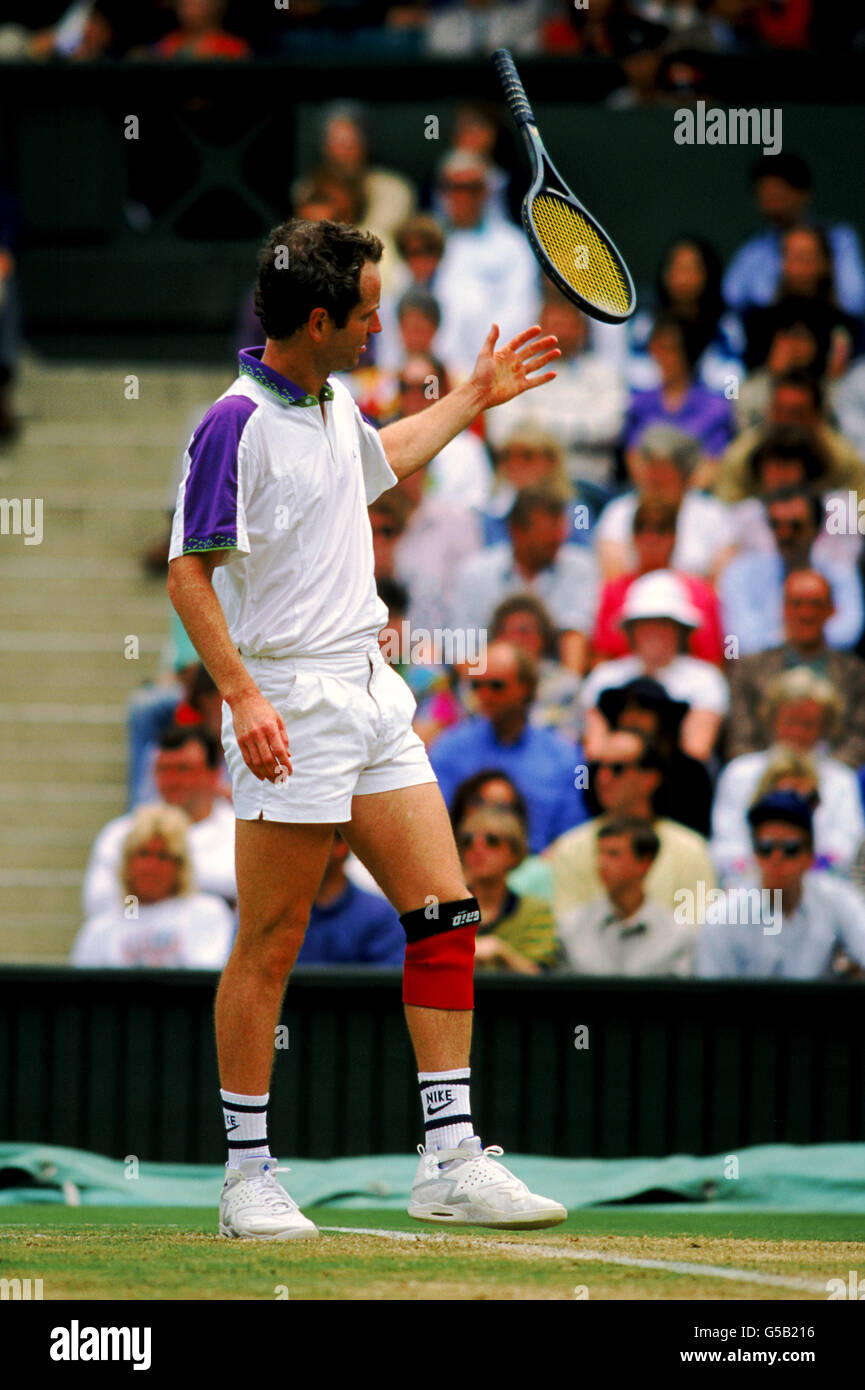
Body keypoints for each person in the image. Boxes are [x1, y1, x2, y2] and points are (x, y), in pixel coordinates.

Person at [166, 216, 566, 1238]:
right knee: (270, 938)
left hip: (372, 691)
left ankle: (447, 1157)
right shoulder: (232, 425)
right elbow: (187, 571)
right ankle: (246, 1177)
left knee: (444, 912)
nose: (381, 324)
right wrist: (244, 696)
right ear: (316, 319)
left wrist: (472, 399)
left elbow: (376, 460)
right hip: (290, 703)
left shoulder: (331, 401)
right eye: (368, 312)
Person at [429, 641, 587, 853]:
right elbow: (434, 827)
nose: (485, 696)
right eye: (477, 686)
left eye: (496, 686)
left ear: (526, 687)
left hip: (540, 875)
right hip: (465, 869)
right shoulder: (447, 748)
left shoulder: (568, 758)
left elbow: (573, 834)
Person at [543, 728, 717, 919]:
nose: (603, 778)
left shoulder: (691, 849)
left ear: (650, 778)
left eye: (618, 768)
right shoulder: (570, 847)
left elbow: (697, 928)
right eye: (598, 767)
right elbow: (566, 925)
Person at [711, 667, 865, 879]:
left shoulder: (841, 780)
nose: (797, 734)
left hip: (821, 891)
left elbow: (846, 847)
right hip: (748, 890)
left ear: (825, 727)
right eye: (790, 721)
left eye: (808, 724)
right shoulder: (739, 773)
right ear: (772, 720)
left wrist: (798, 877)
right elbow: (726, 845)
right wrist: (769, 875)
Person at [696, 792, 865, 979]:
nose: (776, 858)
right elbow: (711, 988)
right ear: (755, 854)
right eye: (766, 848)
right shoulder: (724, 915)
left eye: (790, 849)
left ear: (809, 856)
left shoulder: (837, 899)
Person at [83, 725, 236, 917]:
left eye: (183, 769)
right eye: (164, 769)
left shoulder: (239, 830)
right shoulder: (122, 832)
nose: (172, 780)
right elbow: (100, 903)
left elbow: (242, 886)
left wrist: (149, 883)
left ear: (214, 775)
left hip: (218, 941)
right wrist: (140, 914)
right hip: (142, 941)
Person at [580, 569, 730, 762]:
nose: (654, 632)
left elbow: (696, 752)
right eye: (645, 623)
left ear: (681, 630)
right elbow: (594, 751)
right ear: (630, 629)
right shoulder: (603, 678)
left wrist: (636, 749)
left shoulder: (706, 680)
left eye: (663, 623)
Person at [450, 484, 598, 675]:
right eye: (547, 532)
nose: (558, 538)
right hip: (489, 679)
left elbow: (574, 640)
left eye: (560, 528)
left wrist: (567, 691)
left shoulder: (580, 567)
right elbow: (463, 651)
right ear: (517, 530)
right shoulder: (475, 572)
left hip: (552, 683)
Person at [725, 568, 865, 767]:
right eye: (797, 604)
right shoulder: (748, 669)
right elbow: (740, 741)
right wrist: (777, 775)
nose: (806, 613)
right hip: (762, 781)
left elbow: (859, 740)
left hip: (834, 782)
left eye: (816, 604)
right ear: (782, 609)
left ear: (832, 610)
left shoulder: (856, 673)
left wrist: (821, 776)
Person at [70, 805, 235, 969]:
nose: (151, 866)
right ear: (127, 862)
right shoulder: (101, 928)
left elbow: (205, 980)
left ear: (179, 865)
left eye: (162, 856)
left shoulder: (206, 912)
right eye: (143, 854)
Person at [718, 485, 864, 653]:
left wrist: (786, 637)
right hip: (762, 671)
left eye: (795, 526)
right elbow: (739, 641)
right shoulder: (740, 573)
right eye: (776, 524)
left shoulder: (839, 569)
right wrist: (806, 635)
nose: (785, 534)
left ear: (816, 528)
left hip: (826, 667)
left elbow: (848, 632)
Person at [722, 153, 865, 319]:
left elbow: (855, 301)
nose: (772, 202)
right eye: (765, 194)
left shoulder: (839, 239)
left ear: (803, 193)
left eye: (779, 193)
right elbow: (731, 299)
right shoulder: (754, 248)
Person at [594, 422, 736, 582]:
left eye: (662, 481)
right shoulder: (618, 512)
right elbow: (612, 581)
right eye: (650, 479)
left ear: (685, 477)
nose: (655, 487)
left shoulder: (715, 516)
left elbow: (720, 588)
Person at [591, 499, 724, 665]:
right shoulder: (612, 592)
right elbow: (602, 658)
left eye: (660, 529)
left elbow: (712, 660)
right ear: (632, 537)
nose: (650, 538)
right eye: (641, 529)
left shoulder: (702, 594)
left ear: (675, 537)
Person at [557, 817, 695, 976]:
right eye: (599, 853)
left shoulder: (676, 936)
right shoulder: (571, 928)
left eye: (613, 854)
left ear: (644, 863)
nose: (601, 862)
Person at [456, 805, 558, 974]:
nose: (478, 848)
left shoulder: (535, 911)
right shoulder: (445, 909)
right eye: (468, 841)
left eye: (492, 840)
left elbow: (542, 982)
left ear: (514, 853)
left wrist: (500, 952)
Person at [294, 832, 406, 966]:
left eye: (311, 841)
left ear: (341, 847)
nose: (298, 849)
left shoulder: (382, 916)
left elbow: (387, 982)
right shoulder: (282, 913)